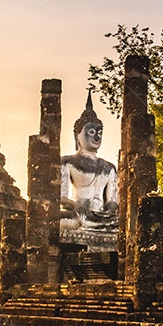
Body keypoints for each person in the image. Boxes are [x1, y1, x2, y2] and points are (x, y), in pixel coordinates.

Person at [59, 92, 118, 232]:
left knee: (121, 222)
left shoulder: (109, 167)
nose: (97, 137)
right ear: (77, 135)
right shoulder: (68, 162)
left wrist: (110, 210)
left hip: (102, 216)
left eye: (100, 133)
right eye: (91, 132)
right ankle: (94, 226)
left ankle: (98, 225)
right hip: (78, 214)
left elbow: (112, 200)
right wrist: (74, 205)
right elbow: (61, 197)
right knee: (60, 220)